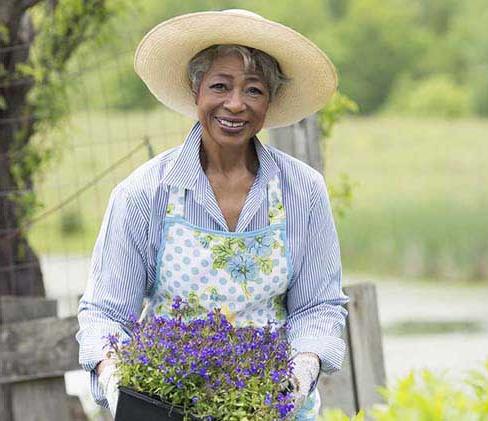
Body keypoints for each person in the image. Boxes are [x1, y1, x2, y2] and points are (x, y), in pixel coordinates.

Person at [75, 9, 347, 420]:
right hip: (167, 407)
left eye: (253, 90)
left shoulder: (303, 191)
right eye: (220, 85)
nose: (235, 104)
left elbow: (318, 306)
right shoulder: (144, 193)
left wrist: (301, 370)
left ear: (269, 101)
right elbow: (106, 314)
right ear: (196, 90)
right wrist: (118, 381)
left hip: (273, 408)